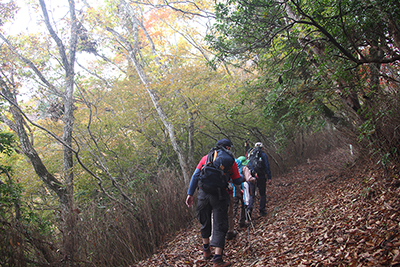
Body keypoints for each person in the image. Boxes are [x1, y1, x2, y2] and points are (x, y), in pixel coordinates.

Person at [186, 139, 243, 267]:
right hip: (220, 195)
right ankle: (217, 259)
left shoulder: (206, 158)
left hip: (203, 194)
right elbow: (237, 181)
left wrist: (190, 194)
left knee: (205, 221)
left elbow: (195, 176)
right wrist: (246, 175)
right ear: (228, 148)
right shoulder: (230, 161)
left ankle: (206, 251)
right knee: (220, 224)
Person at [246, 142, 272, 217]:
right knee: (262, 194)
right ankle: (262, 211)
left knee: (252, 195)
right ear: (262, 148)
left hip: (252, 176)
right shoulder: (263, 154)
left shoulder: (250, 154)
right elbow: (267, 166)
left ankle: (249, 211)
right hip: (261, 176)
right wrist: (269, 177)